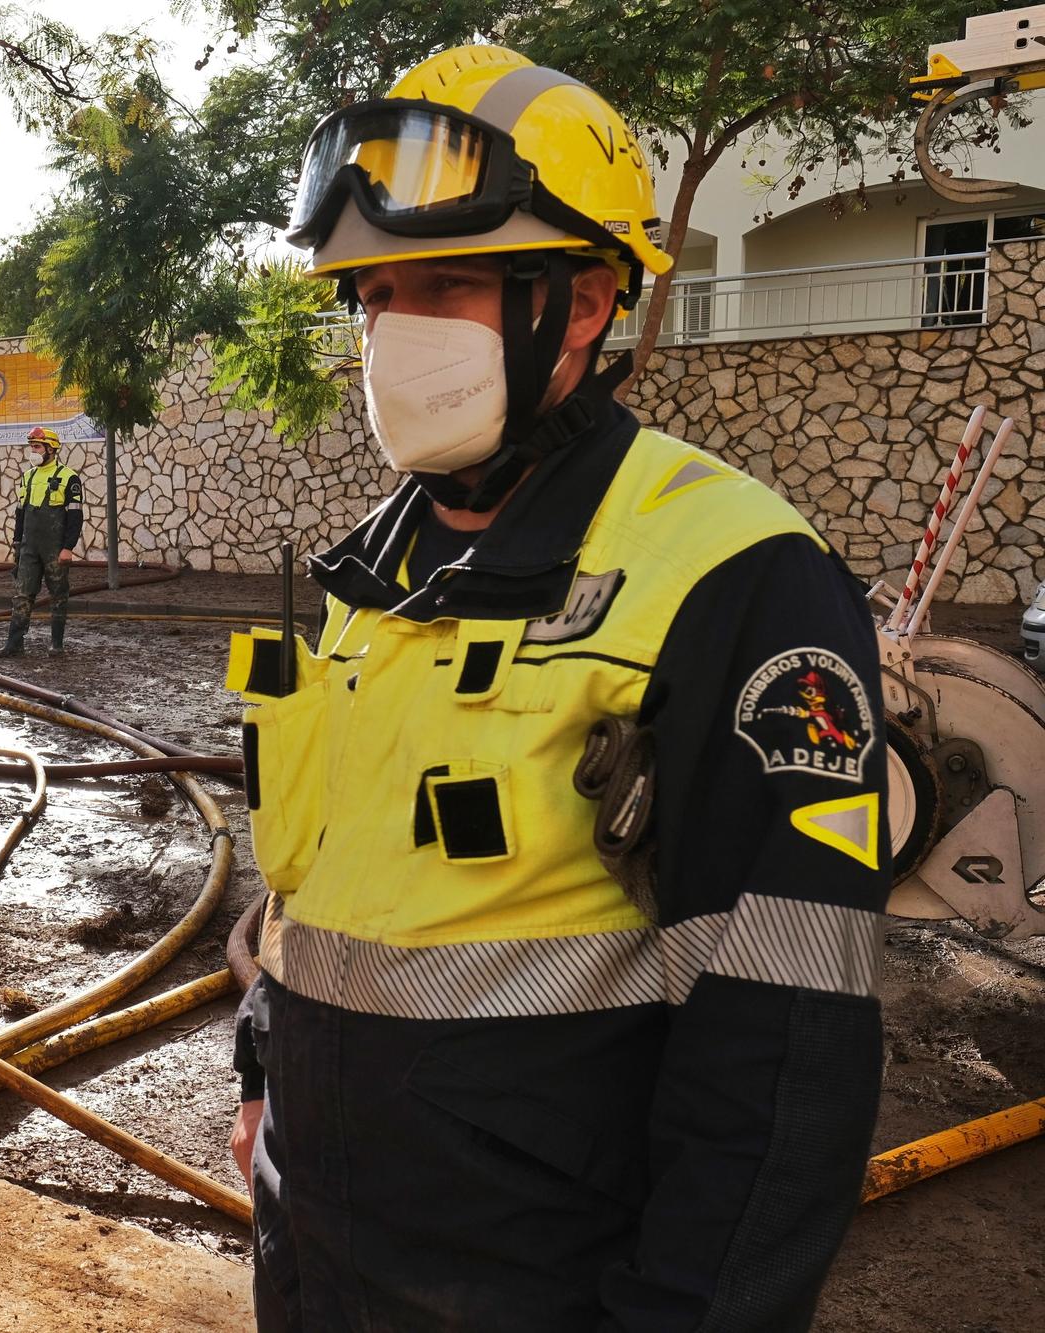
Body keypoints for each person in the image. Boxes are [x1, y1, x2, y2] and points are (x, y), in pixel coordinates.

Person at [228, 44, 888, 1332]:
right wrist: (265, 1071)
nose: (389, 331)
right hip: (317, 1252)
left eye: (445, 283)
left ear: (582, 305)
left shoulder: (732, 574)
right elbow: (322, 889)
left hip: (544, 1290)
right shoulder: (379, 567)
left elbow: (782, 1049)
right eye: (370, 295)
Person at [0, 426, 82, 657]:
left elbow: (75, 516)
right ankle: (14, 644)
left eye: (37, 446)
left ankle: (57, 644)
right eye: (32, 446)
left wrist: (68, 548)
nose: (33, 451)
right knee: (22, 594)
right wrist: (16, 544)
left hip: (55, 549)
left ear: (51, 449)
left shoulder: (69, 477)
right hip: (29, 547)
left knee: (58, 594)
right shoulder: (28, 477)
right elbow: (20, 514)